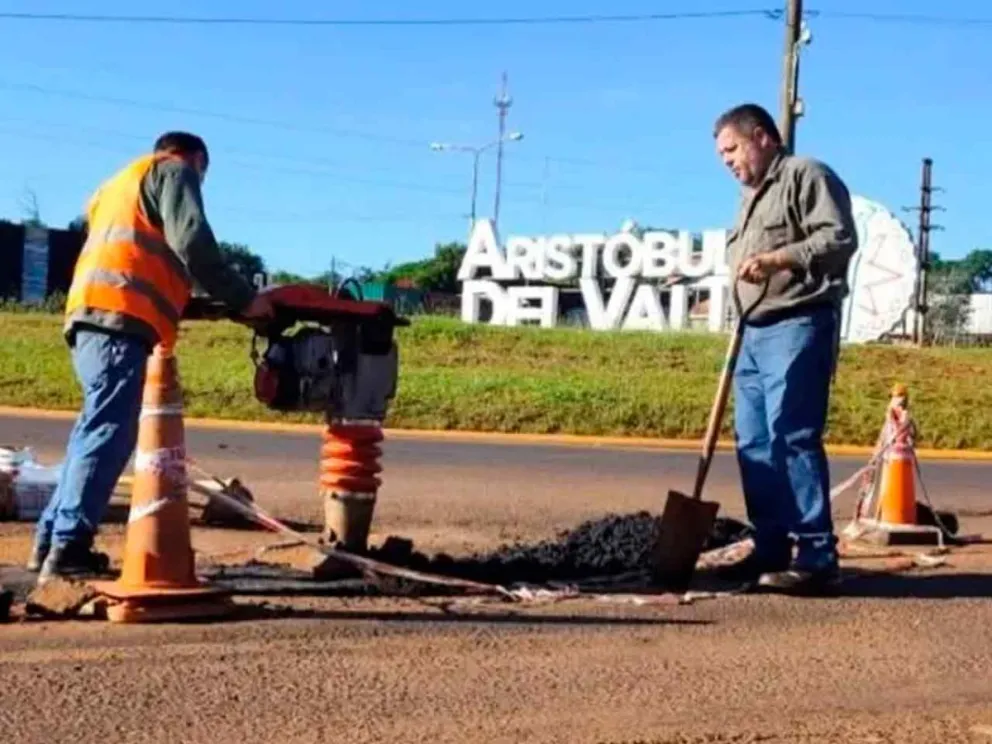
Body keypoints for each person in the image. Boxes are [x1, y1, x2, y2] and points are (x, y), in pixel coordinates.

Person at [29, 131, 274, 583]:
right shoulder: (175, 170)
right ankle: (68, 547)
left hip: (91, 313)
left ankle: (51, 541)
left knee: (94, 428)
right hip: (121, 315)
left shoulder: (117, 184)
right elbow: (193, 241)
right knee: (109, 432)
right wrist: (245, 298)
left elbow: (147, 255)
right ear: (196, 158)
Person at [712, 103, 858, 595]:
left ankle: (817, 556)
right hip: (752, 332)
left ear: (762, 137)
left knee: (790, 435)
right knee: (753, 442)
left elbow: (839, 237)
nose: (727, 161)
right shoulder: (749, 199)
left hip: (798, 323)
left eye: (732, 149)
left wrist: (778, 258)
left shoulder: (805, 175)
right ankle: (771, 547)